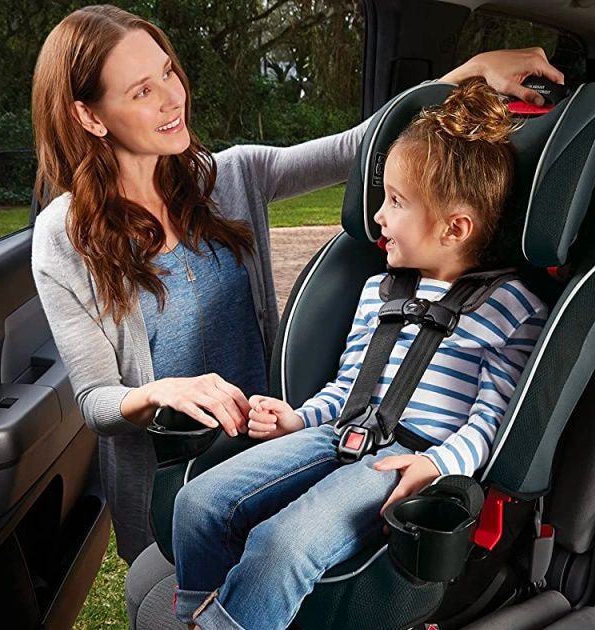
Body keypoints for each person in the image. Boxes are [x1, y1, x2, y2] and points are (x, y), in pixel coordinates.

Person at [29, 3, 565, 564]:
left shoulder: (233, 177)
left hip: (270, 438)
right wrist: (160, 391)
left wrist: (468, 72)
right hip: (169, 468)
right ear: (90, 117)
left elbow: (359, 144)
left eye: (168, 72)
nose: (172, 97)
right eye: (141, 91)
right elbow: (95, 400)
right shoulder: (63, 239)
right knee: (166, 584)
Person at [170, 79, 548, 630]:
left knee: (284, 544)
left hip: (405, 461)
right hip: (337, 432)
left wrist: (439, 465)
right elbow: (349, 388)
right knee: (197, 505)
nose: (378, 216)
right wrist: (300, 418)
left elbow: (494, 421)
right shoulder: (380, 290)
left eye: (396, 202)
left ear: (455, 227)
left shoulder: (510, 306)